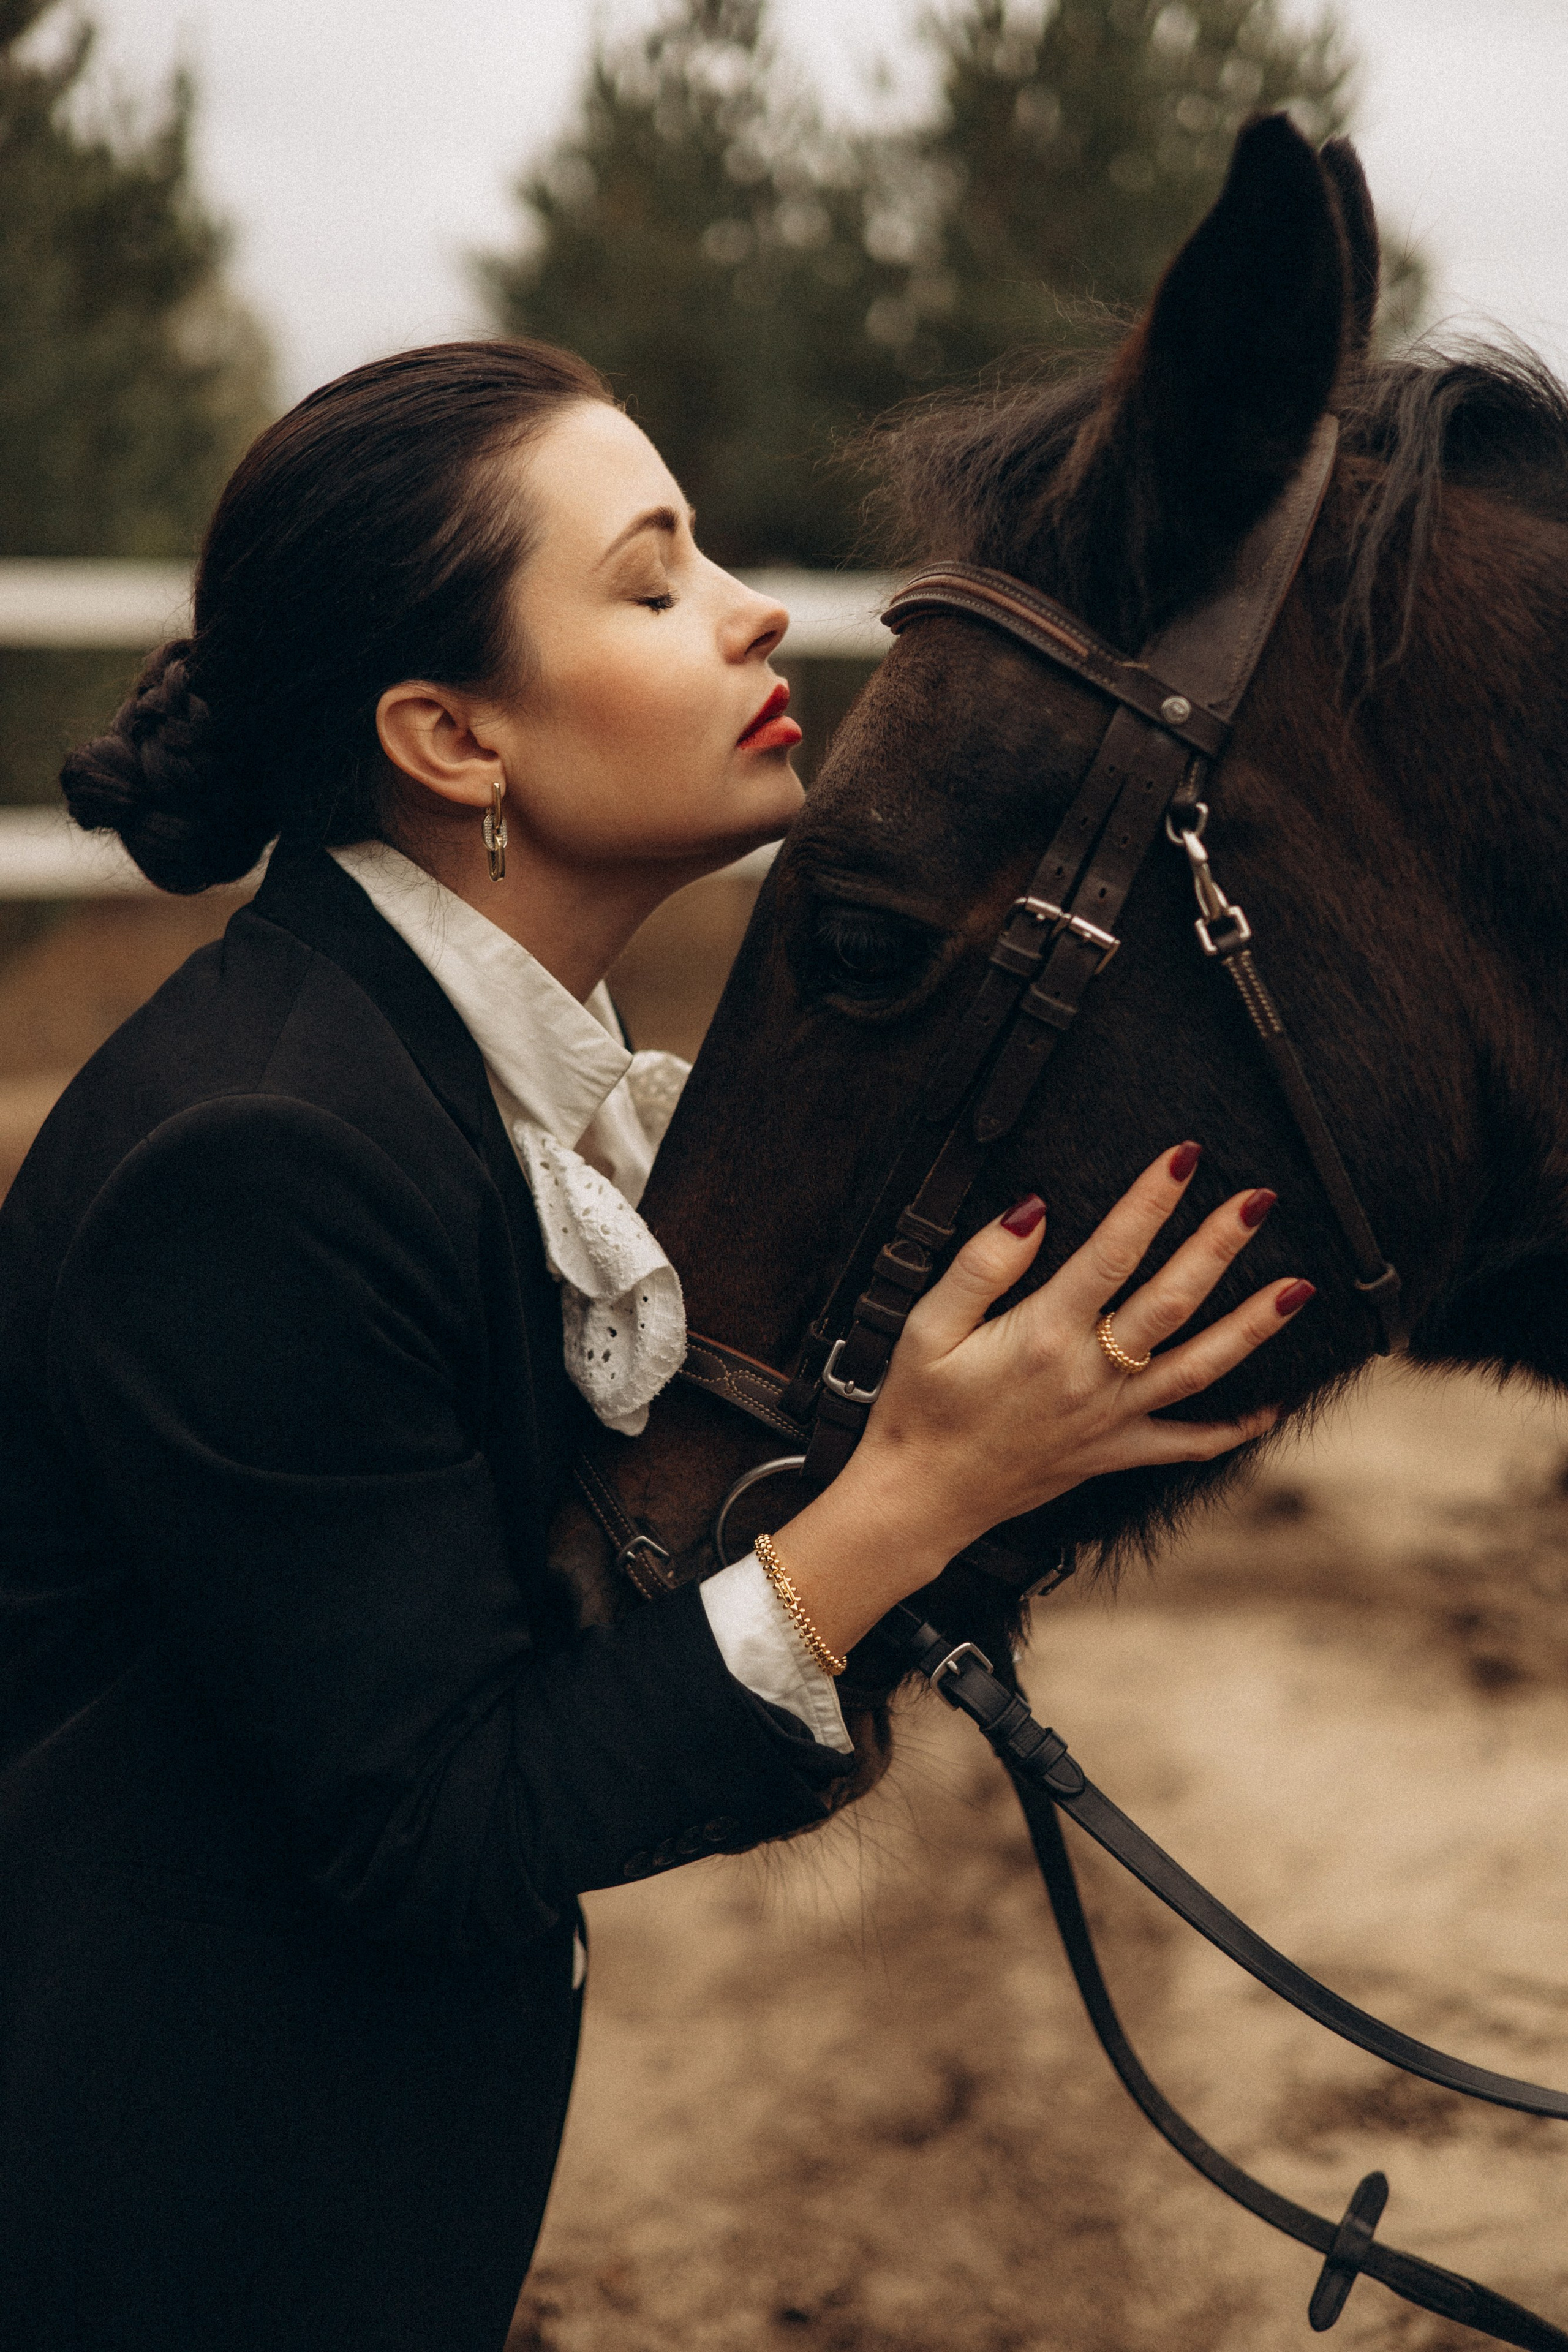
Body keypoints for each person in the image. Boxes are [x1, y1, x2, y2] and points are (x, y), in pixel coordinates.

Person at [0, 341, 1309, 2352]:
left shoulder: (429, 1081)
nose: (757, 610)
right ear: (452, 738)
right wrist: (918, 1499)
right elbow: (441, 1826)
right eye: (653, 578)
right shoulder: (262, 1162)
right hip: (165, 2226)